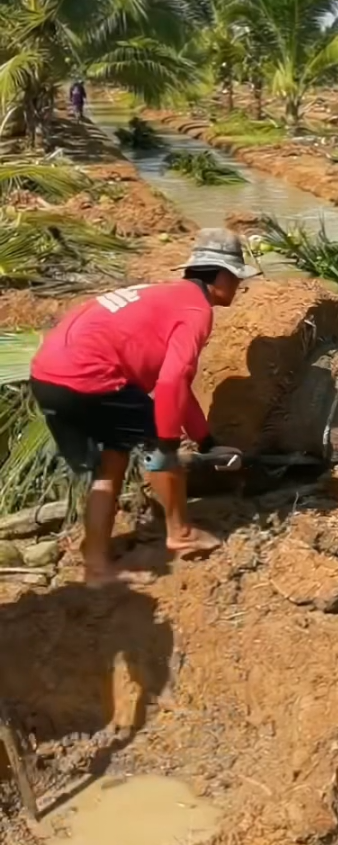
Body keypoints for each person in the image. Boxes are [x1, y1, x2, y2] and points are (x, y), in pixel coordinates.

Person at [29, 229, 258, 587]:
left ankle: (96, 564)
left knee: (114, 459)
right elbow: (169, 384)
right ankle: (180, 533)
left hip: (48, 375)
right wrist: (165, 444)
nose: (238, 288)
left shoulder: (162, 295)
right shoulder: (196, 311)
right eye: (237, 280)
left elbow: (176, 384)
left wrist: (206, 441)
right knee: (156, 446)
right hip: (90, 375)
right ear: (222, 276)